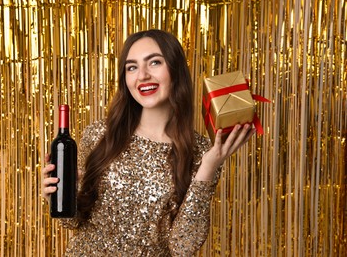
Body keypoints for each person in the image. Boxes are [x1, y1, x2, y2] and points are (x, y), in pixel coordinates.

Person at [42, 29, 255, 256]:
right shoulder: (98, 134)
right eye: (132, 67)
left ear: (175, 69)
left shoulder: (203, 152)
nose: (142, 75)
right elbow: (74, 222)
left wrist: (209, 167)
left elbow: (183, 247)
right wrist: (55, 199)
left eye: (154, 62)